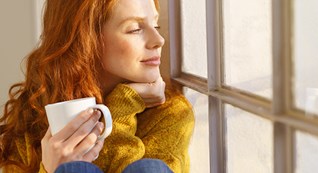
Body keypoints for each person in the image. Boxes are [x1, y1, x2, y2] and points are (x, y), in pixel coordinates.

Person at [0, 0, 194, 172]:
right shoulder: (33, 114)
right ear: (86, 39)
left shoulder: (170, 113)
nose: (159, 40)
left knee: (150, 169)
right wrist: (50, 169)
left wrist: (123, 106)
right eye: (135, 29)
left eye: (156, 25)